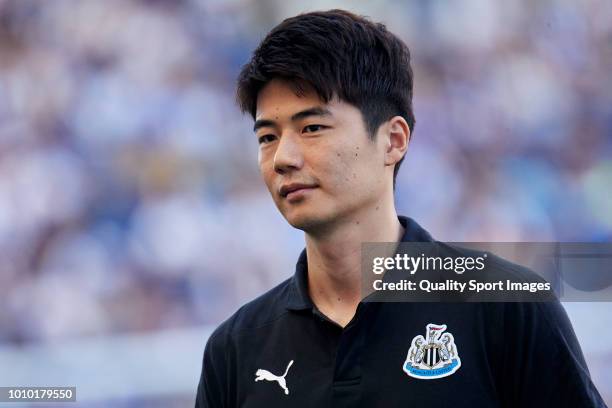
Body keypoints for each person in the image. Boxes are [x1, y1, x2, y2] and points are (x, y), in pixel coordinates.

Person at [195, 9, 606, 407]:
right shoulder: (236, 348)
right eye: (267, 136)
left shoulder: (505, 309)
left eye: (312, 128)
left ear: (393, 140)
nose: (283, 156)